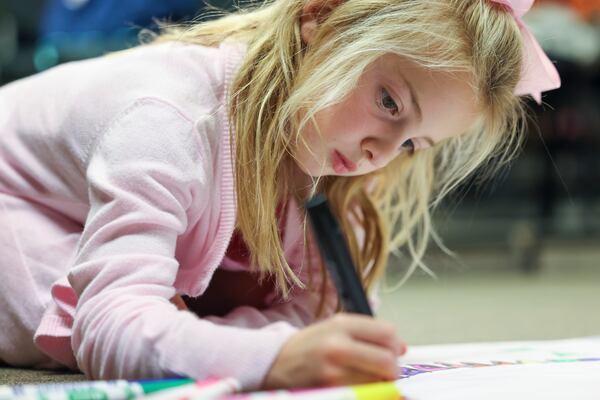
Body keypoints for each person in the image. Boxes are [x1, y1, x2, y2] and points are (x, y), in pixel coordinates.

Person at [0, 0, 559, 391]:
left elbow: (316, 315)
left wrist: (219, 337)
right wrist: (273, 357)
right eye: (388, 102)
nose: (380, 153)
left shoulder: (335, 163)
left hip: (76, 203)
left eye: (413, 142)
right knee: (67, 325)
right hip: (12, 192)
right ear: (319, 15)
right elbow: (107, 328)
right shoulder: (170, 119)